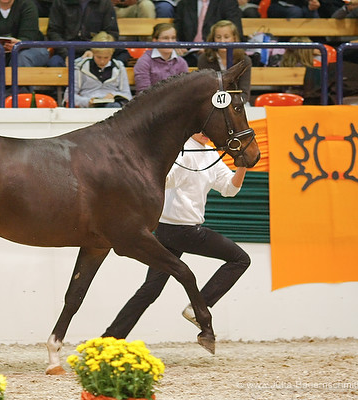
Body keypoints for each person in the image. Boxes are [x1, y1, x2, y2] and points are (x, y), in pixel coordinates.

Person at [102, 132, 250, 340]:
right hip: (184, 231)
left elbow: (229, 189)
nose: (206, 134)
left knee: (150, 290)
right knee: (240, 259)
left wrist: (242, 165)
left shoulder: (209, 153)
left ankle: (111, 338)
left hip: (166, 232)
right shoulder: (183, 150)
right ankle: (200, 306)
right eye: (202, 129)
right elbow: (166, 179)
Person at [0, 0, 49, 106]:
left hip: (30, 48)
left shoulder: (27, 4)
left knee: (22, 57)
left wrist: (19, 43)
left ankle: (20, 102)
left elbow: (29, 35)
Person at [46, 0, 129, 67]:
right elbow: (53, 31)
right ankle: (67, 88)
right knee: (54, 63)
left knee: (121, 58)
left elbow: (111, 33)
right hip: (67, 50)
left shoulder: (105, 3)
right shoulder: (60, 2)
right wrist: (66, 54)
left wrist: (94, 51)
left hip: (97, 52)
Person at [65, 31, 132, 107]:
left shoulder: (119, 67)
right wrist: (87, 102)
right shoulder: (81, 67)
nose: (102, 61)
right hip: (89, 106)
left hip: (113, 105)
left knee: (114, 106)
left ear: (112, 54)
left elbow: (127, 95)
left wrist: (114, 95)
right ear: (93, 53)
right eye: (99, 57)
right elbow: (69, 95)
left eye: (106, 57)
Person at [174, 0, 242, 67]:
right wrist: (178, 45)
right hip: (188, 52)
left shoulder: (228, 2)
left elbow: (235, 31)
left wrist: (209, 48)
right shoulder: (183, 3)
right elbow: (176, 31)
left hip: (215, 51)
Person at [197, 20, 252, 102]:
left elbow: (244, 93)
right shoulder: (204, 59)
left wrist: (230, 104)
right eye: (218, 37)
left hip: (236, 105)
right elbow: (203, 90)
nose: (222, 41)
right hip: (211, 105)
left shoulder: (244, 60)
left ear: (234, 38)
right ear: (213, 39)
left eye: (226, 37)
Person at [133, 22, 189, 93]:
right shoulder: (144, 61)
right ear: (155, 40)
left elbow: (185, 89)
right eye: (165, 38)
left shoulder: (181, 62)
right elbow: (143, 93)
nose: (170, 42)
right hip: (152, 102)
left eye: (173, 38)